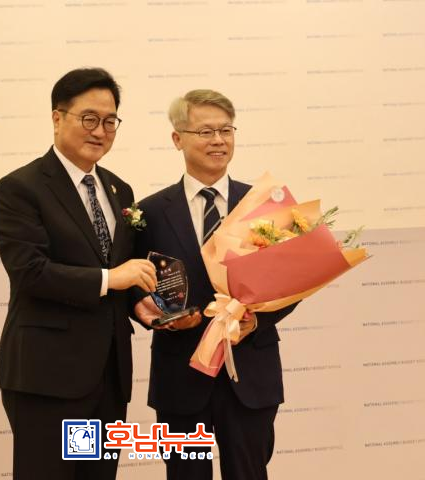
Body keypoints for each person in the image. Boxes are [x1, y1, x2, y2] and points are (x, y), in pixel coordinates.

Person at [0, 67, 157, 480]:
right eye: (89, 118)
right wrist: (111, 279)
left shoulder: (119, 190)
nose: (100, 131)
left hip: (108, 378)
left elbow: (121, 275)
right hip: (48, 378)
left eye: (109, 121)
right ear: (57, 117)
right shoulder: (21, 187)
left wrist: (141, 305)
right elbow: (30, 272)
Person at [133, 89, 299, 480]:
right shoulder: (148, 212)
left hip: (249, 372)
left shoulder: (261, 205)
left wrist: (255, 321)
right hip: (181, 373)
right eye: (205, 131)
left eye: (226, 130)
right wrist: (156, 316)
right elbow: (136, 288)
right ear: (178, 139)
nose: (218, 140)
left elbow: (292, 281)